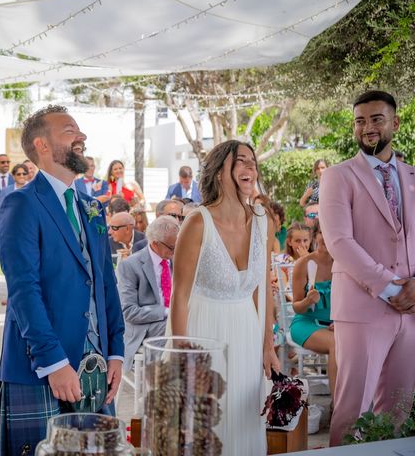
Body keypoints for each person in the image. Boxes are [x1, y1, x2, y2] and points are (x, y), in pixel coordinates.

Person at [0, 105, 124, 454]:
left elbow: (105, 283)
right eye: (70, 130)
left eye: (79, 130)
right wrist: (53, 363)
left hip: (97, 366)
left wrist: (116, 353)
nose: (81, 136)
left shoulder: (91, 206)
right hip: (43, 369)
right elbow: (24, 291)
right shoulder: (20, 204)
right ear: (43, 146)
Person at [170, 140, 280, 456]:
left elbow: (262, 288)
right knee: (208, 426)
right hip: (204, 333)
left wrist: (268, 345)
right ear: (221, 172)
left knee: (244, 421)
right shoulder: (197, 221)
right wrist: (183, 358)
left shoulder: (263, 219)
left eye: (253, 162)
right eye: (241, 161)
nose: (250, 168)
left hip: (247, 332)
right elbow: (179, 296)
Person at [320, 90, 415, 446]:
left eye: (376, 119)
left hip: (411, 312)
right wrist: (394, 289)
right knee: (352, 410)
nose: (368, 128)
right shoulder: (338, 176)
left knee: (399, 411)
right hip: (363, 308)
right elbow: (340, 243)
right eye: (360, 121)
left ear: (395, 123)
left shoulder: (411, 175)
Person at [117, 216, 179, 371]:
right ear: (155, 243)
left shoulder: (175, 259)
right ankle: (161, 383)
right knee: (173, 330)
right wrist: (167, 312)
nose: (176, 250)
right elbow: (129, 312)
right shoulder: (130, 266)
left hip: (171, 320)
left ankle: (186, 378)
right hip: (144, 328)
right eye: (172, 247)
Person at [289, 220, 337, 395]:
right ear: (315, 236)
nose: (327, 237)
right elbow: (296, 307)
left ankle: (357, 405)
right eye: (322, 232)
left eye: (332, 231)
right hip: (306, 322)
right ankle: (338, 408)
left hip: (337, 324)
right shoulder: (303, 264)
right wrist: (308, 301)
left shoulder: (344, 263)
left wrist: (341, 322)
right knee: (337, 344)